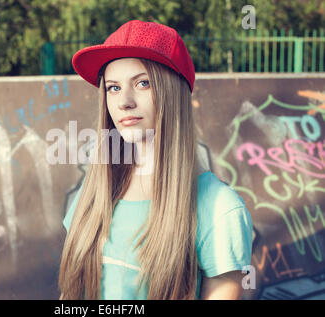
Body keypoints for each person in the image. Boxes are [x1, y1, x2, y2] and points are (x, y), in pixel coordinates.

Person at [58, 20, 253, 300]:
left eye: (142, 83)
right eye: (113, 87)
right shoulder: (93, 193)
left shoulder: (219, 207)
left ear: (172, 91)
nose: (124, 101)